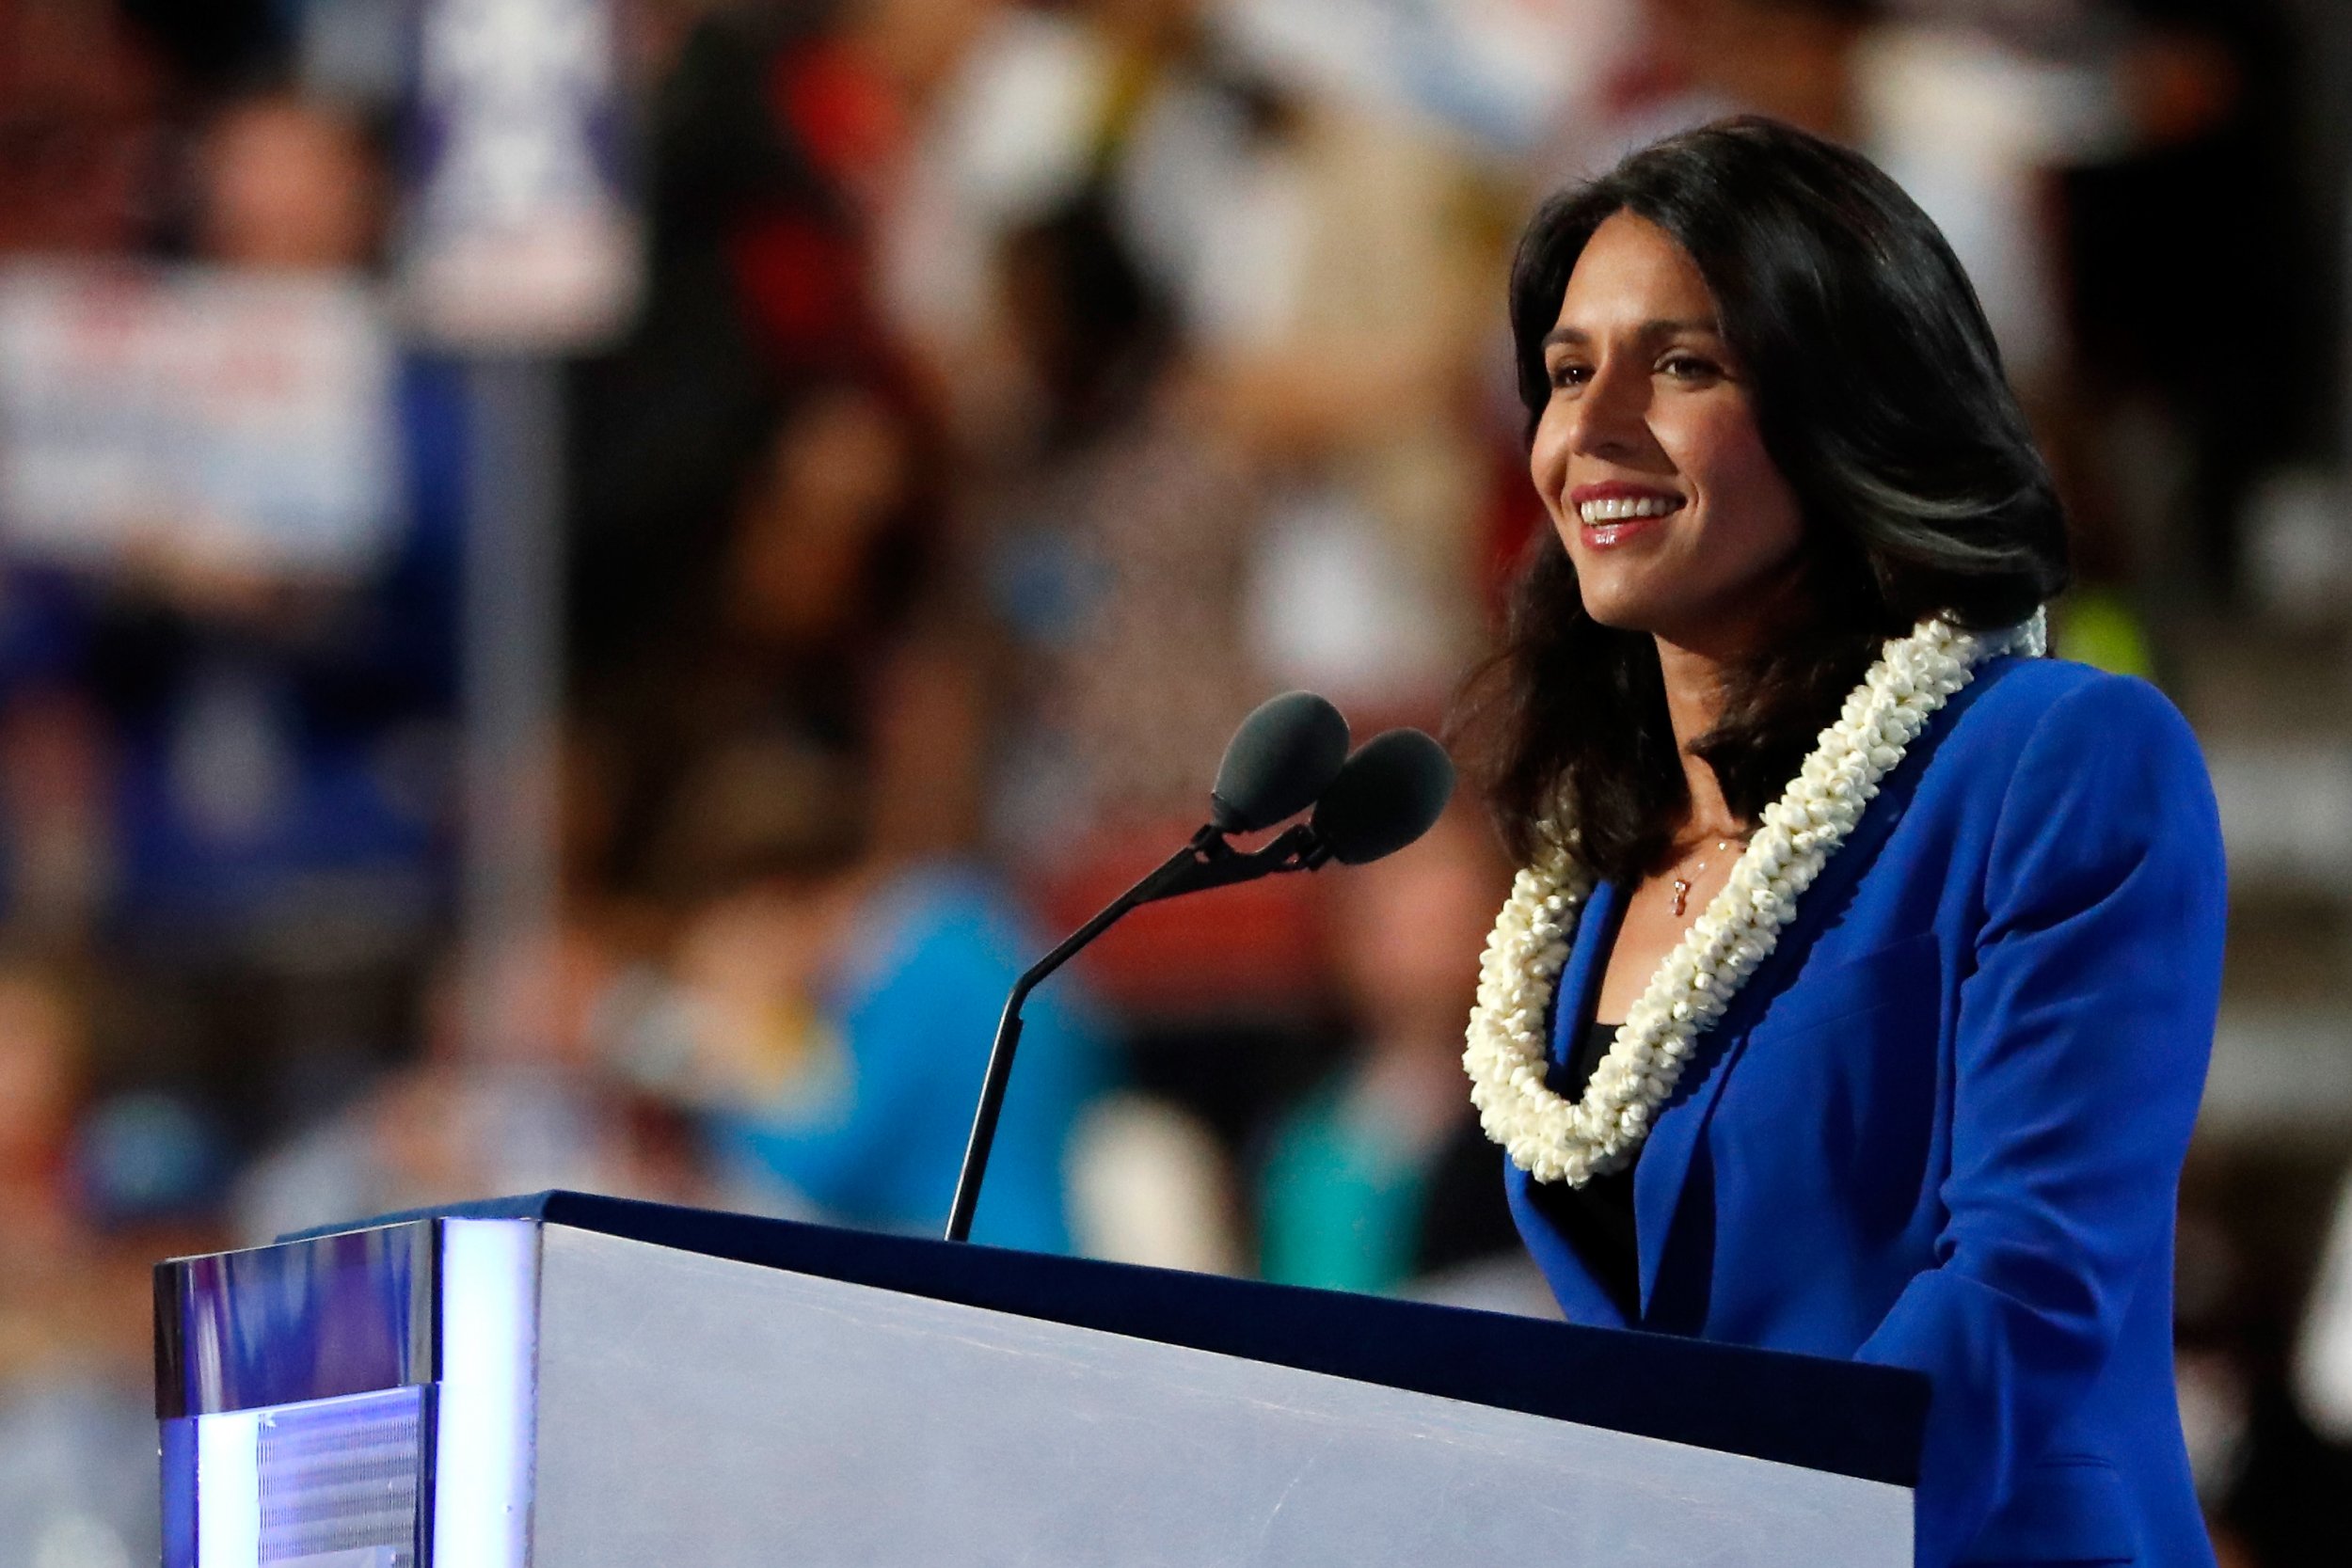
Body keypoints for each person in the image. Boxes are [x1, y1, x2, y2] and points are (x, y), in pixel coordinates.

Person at [1459, 118, 2222, 1568]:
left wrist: (1760, 1533)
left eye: (1682, 365)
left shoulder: (2056, 763)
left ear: (1845, 403)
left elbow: (2027, 1288)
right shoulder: (1600, 855)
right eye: (1568, 373)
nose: (1592, 428)